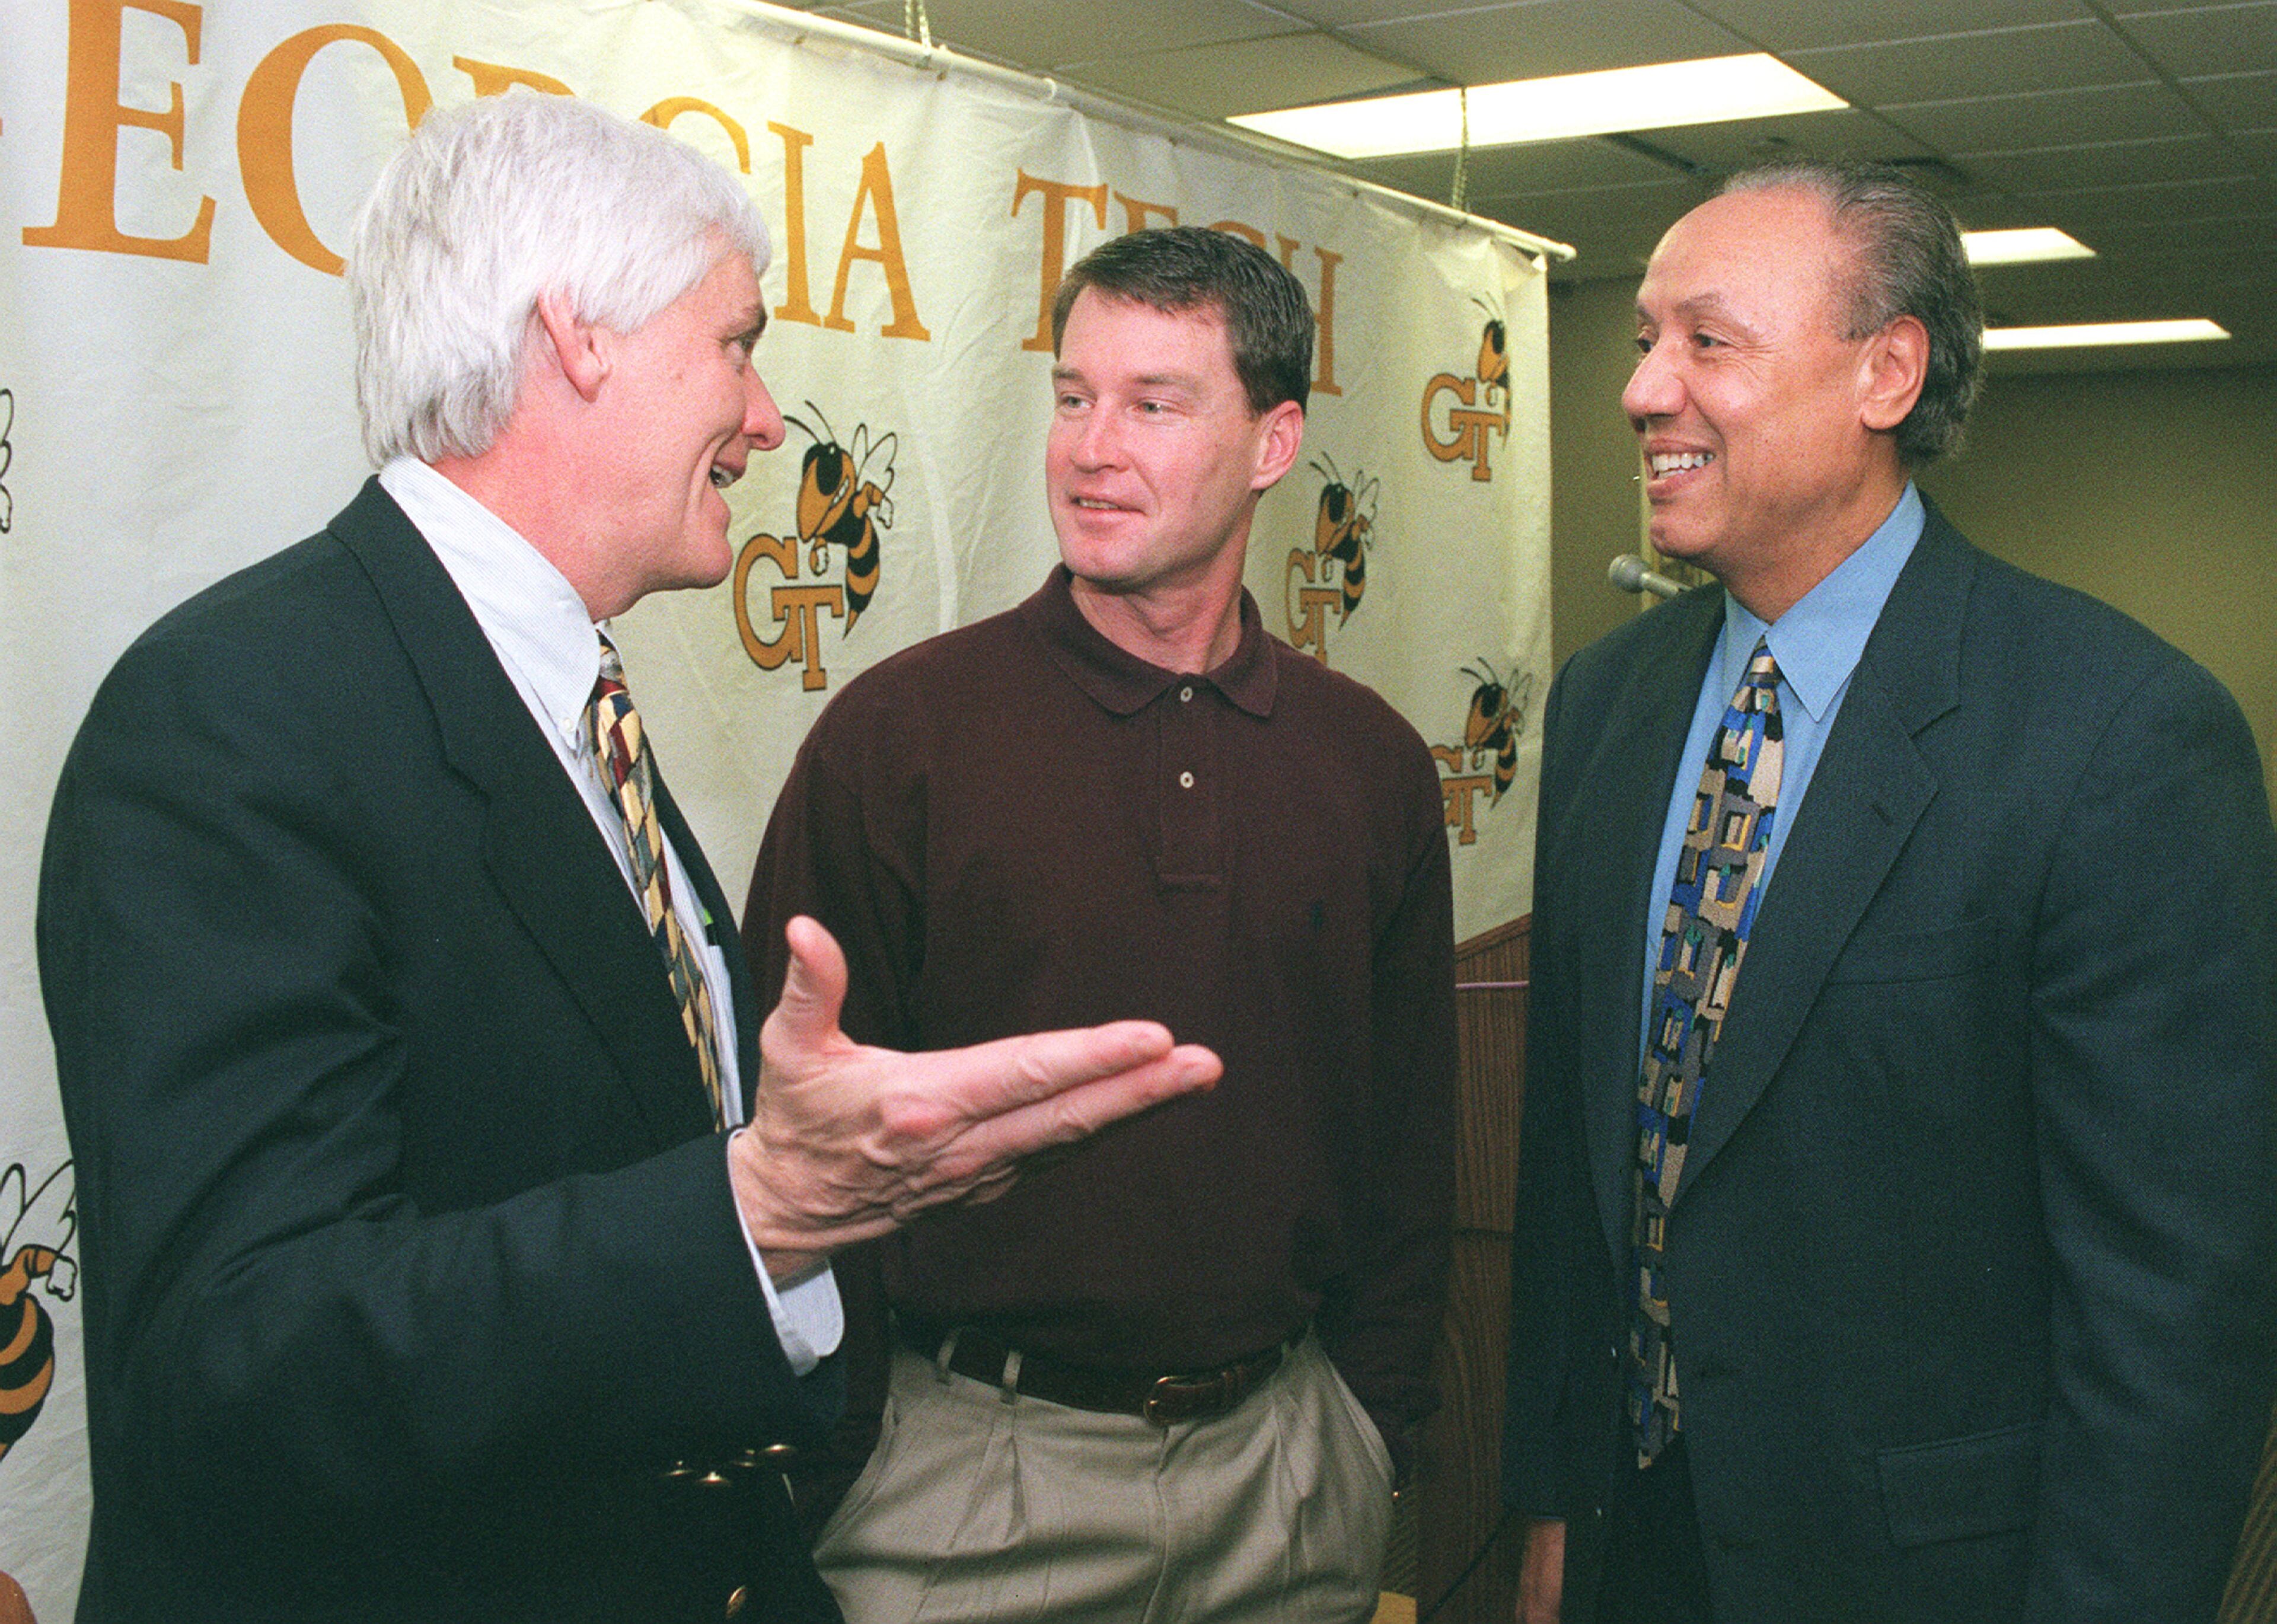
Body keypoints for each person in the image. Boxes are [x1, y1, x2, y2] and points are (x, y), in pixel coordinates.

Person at [35, 94, 1222, 1624]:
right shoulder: (238, 713)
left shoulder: (551, 693)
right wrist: (767, 1203)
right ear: (579, 336)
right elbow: (239, 1353)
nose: (766, 413)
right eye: (736, 341)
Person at [1501, 157, 2277, 1624]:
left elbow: (2173, 1314)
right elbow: (1575, 1156)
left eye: (1706, 341)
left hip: (1925, 1572)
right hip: (1633, 1538)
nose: (1645, 389)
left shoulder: (2119, 737)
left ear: (1887, 371)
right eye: (1643, 341)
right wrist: (1551, 1500)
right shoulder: (1608, 705)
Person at [742, 224, 1459, 1622]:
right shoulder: (901, 736)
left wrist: (1369, 1437)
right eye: (1073, 397)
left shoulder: (1368, 761)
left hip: (1288, 1476)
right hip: (968, 1481)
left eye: (1155, 403)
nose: (1091, 446)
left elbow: (1409, 1147)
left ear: (1274, 441)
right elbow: (784, 1133)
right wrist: (839, 1475)